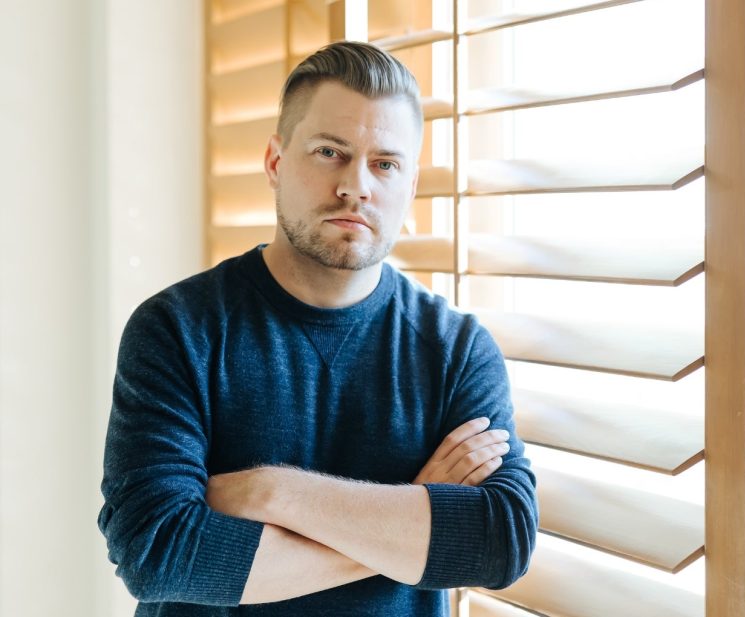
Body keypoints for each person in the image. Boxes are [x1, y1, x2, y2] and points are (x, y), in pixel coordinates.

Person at [97, 41, 538, 616]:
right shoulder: (178, 329)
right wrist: (411, 514)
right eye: (330, 152)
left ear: (409, 186)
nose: (356, 186)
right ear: (275, 162)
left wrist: (271, 491)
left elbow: (500, 541)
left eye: (385, 164)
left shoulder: (455, 349)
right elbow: (157, 553)